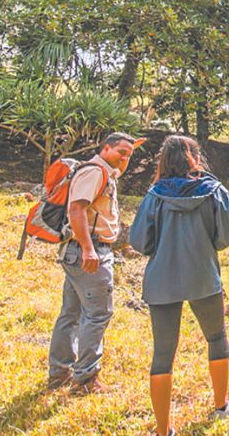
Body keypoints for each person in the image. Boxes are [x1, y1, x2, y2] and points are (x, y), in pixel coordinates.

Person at [130, 134, 229, 435]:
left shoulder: (154, 195)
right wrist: (209, 243)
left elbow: (139, 241)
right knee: (216, 338)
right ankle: (221, 406)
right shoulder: (214, 190)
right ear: (195, 157)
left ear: (164, 160)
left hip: (162, 281)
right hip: (203, 276)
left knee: (163, 354)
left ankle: (163, 429)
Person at [48, 131, 145, 394]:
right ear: (105, 149)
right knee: (98, 314)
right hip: (88, 251)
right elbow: (76, 209)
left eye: (129, 154)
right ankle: (85, 379)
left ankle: (59, 373)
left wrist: (128, 149)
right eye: (120, 152)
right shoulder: (94, 172)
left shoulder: (105, 172)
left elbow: (115, 170)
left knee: (71, 314)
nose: (125, 158)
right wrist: (89, 250)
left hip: (79, 250)